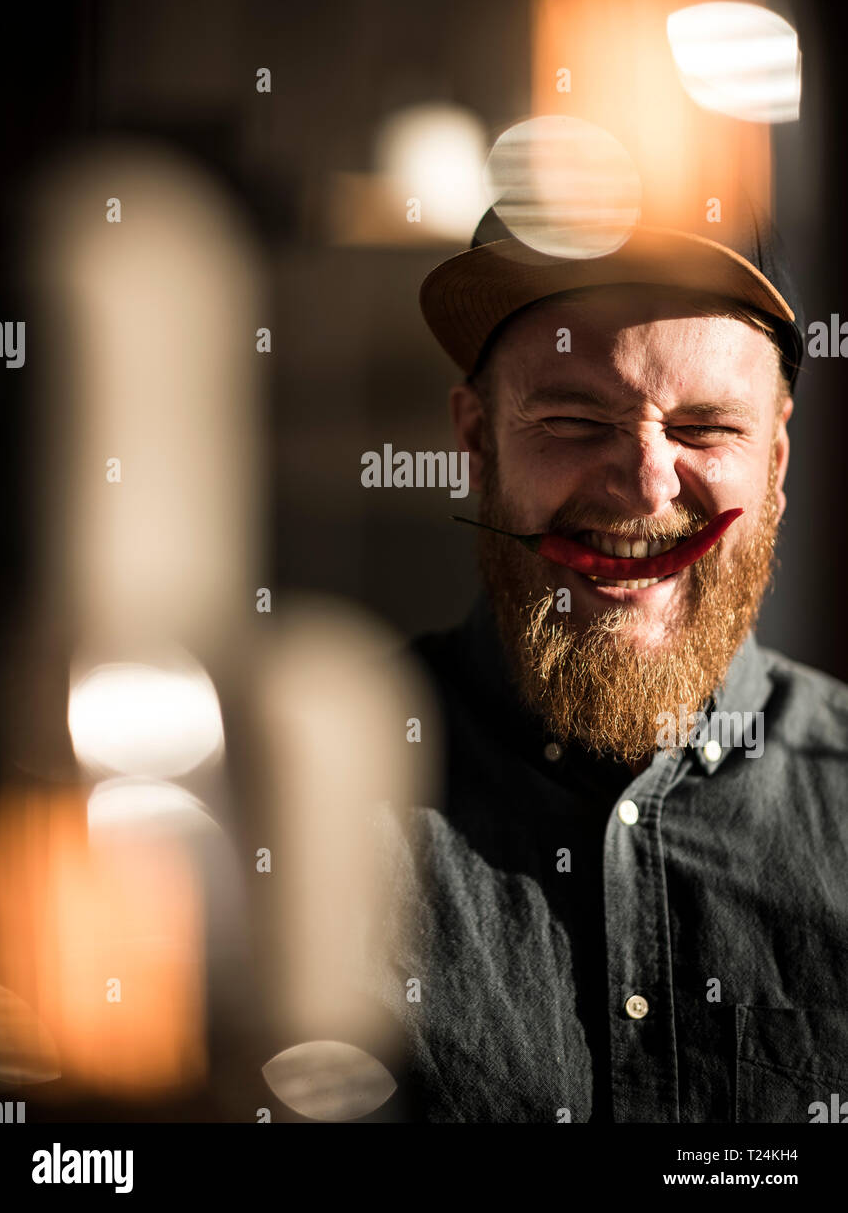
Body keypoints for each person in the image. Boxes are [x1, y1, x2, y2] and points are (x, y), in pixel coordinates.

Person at [363, 202, 848, 1124]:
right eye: (575, 419)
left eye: (706, 428)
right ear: (476, 443)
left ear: (777, 464)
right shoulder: (323, 806)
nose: (646, 484)